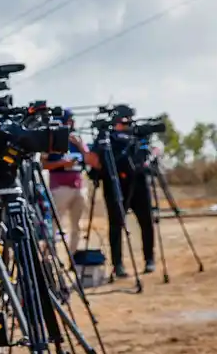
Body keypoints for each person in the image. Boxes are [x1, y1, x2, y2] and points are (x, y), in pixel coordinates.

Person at [94, 107, 156, 276]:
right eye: (124, 119)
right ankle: (118, 264)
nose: (127, 122)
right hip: (115, 184)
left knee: (146, 222)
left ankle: (150, 259)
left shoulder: (138, 136)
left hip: (139, 183)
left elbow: (149, 154)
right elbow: (96, 161)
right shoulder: (106, 138)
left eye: (129, 118)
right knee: (116, 225)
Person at [44, 109, 89, 248]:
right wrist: (62, 163)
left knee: (77, 225)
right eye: (69, 120)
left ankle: (74, 256)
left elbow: (89, 159)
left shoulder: (77, 139)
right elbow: (43, 164)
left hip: (78, 186)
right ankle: (50, 258)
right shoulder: (52, 140)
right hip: (59, 187)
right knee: (55, 225)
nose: (72, 123)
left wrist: (80, 145)